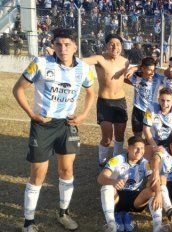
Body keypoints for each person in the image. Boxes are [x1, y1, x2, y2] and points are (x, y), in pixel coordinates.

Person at [13, 28, 95, 232]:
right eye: (58, 44)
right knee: (38, 173)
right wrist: (32, 115)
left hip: (67, 125)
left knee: (66, 170)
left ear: (75, 46)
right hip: (43, 124)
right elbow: (18, 89)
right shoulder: (41, 63)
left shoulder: (84, 69)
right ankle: (28, 222)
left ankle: (63, 213)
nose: (62, 48)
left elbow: (91, 92)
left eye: (67, 44)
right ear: (53, 45)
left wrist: (84, 114)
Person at [97, 136, 169, 232]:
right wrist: (113, 182)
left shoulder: (145, 163)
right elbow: (100, 178)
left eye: (142, 148)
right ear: (129, 148)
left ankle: (157, 226)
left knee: (153, 191)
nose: (140, 151)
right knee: (107, 187)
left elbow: (153, 180)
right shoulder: (117, 160)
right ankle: (111, 224)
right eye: (136, 148)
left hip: (136, 201)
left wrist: (158, 194)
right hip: (116, 198)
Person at [83, 34, 130, 166]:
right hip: (105, 103)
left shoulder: (125, 61)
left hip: (120, 102)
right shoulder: (99, 59)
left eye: (118, 44)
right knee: (107, 138)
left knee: (120, 137)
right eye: (112, 44)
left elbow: (125, 78)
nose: (115, 47)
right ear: (106, 46)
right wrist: (60, 57)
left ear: (122, 46)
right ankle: (102, 162)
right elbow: (81, 61)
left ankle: (116, 163)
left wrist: (135, 69)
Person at [126, 57, 164, 137]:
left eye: (153, 70)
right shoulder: (136, 77)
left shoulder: (158, 78)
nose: (152, 73)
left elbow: (168, 74)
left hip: (151, 110)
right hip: (138, 109)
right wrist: (134, 68)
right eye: (149, 70)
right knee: (137, 135)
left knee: (150, 136)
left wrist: (135, 68)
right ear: (142, 69)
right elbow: (123, 76)